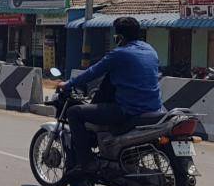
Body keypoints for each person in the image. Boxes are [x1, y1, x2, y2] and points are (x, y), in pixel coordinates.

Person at [59, 16, 163, 176]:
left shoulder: (119, 54)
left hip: (127, 110)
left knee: (74, 112)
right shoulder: (152, 51)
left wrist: (68, 84)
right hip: (154, 109)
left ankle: (87, 162)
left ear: (119, 37)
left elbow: (92, 72)